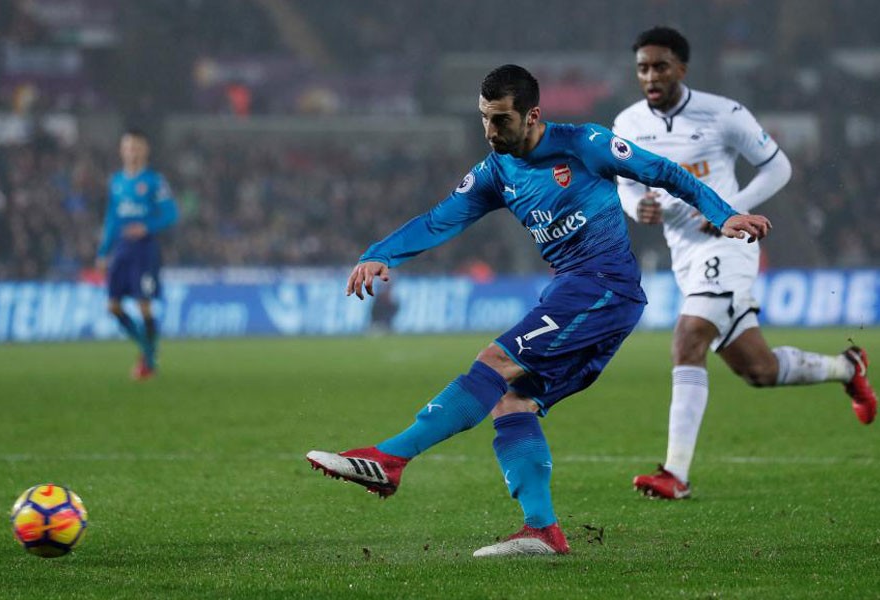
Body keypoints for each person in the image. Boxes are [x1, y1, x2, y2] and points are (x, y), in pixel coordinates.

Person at [306, 64, 771, 557]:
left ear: (532, 116)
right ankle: (542, 531)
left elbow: (666, 173)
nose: (490, 131)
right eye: (484, 118)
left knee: (495, 362)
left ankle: (391, 459)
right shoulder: (495, 171)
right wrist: (382, 252)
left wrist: (725, 215)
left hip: (602, 287)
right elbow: (440, 219)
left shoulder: (585, 143)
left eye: (501, 119)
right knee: (512, 402)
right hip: (576, 296)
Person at [613, 27, 877, 500]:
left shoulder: (722, 113)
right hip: (684, 255)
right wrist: (637, 208)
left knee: (688, 337)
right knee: (760, 369)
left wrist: (730, 211)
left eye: (660, 66)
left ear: (682, 68)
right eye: (642, 68)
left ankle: (675, 473)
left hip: (728, 246)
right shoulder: (627, 124)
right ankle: (847, 368)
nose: (650, 76)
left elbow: (778, 167)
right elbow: (625, 183)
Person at [95, 128, 179, 380]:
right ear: (121, 150)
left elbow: (171, 213)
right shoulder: (116, 182)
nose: (131, 151)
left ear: (145, 149)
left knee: (144, 305)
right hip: (121, 250)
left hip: (145, 250)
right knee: (113, 306)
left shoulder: (154, 181)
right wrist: (102, 252)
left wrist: (146, 227)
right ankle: (148, 348)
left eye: (136, 147)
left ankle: (149, 362)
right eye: (128, 146)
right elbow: (111, 219)